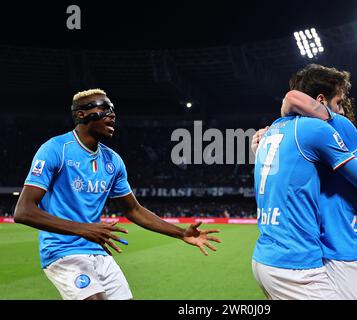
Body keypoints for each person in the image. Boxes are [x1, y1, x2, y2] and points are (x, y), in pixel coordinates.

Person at [14, 89, 221, 300]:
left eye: (112, 109)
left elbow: (134, 210)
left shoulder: (113, 161)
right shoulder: (56, 149)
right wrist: (84, 229)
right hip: (62, 251)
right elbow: (23, 211)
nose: (111, 114)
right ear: (81, 115)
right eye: (103, 108)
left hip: (98, 251)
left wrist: (180, 233)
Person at [251, 65, 357, 300]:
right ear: (320, 100)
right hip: (324, 253)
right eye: (339, 102)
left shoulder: (282, 131)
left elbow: (291, 98)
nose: (341, 111)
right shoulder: (314, 129)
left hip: (339, 253)